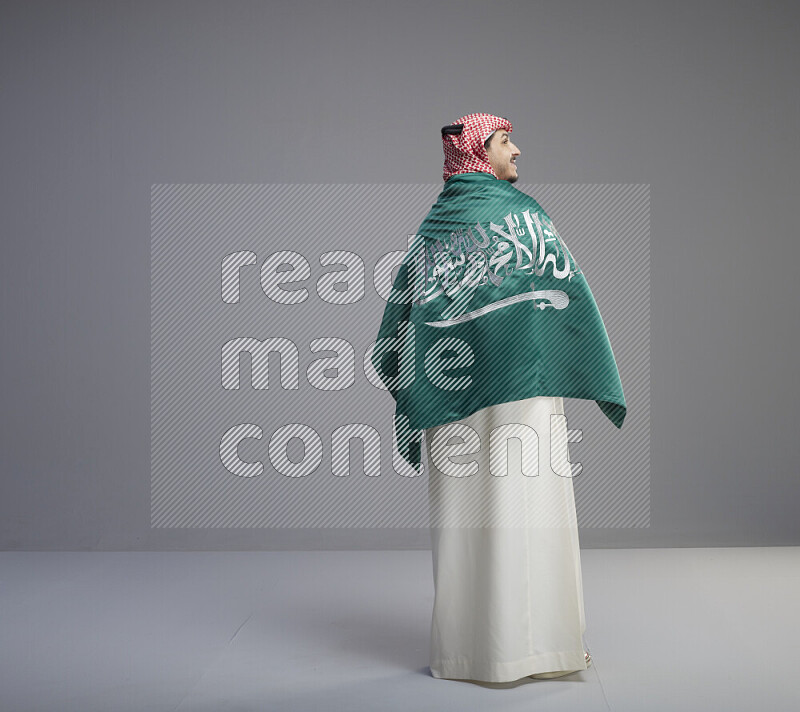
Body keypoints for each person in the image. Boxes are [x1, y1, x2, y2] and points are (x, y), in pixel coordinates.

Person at [371, 112, 626, 683]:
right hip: (522, 393)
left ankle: (470, 655)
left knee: (469, 520)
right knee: (528, 508)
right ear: (480, 153)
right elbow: (562, 288)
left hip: (453, 396)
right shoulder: (523, 217)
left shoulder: (434, 226)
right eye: (507, 141)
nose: (519, 150)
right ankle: (542, 650)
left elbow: (408, 317)